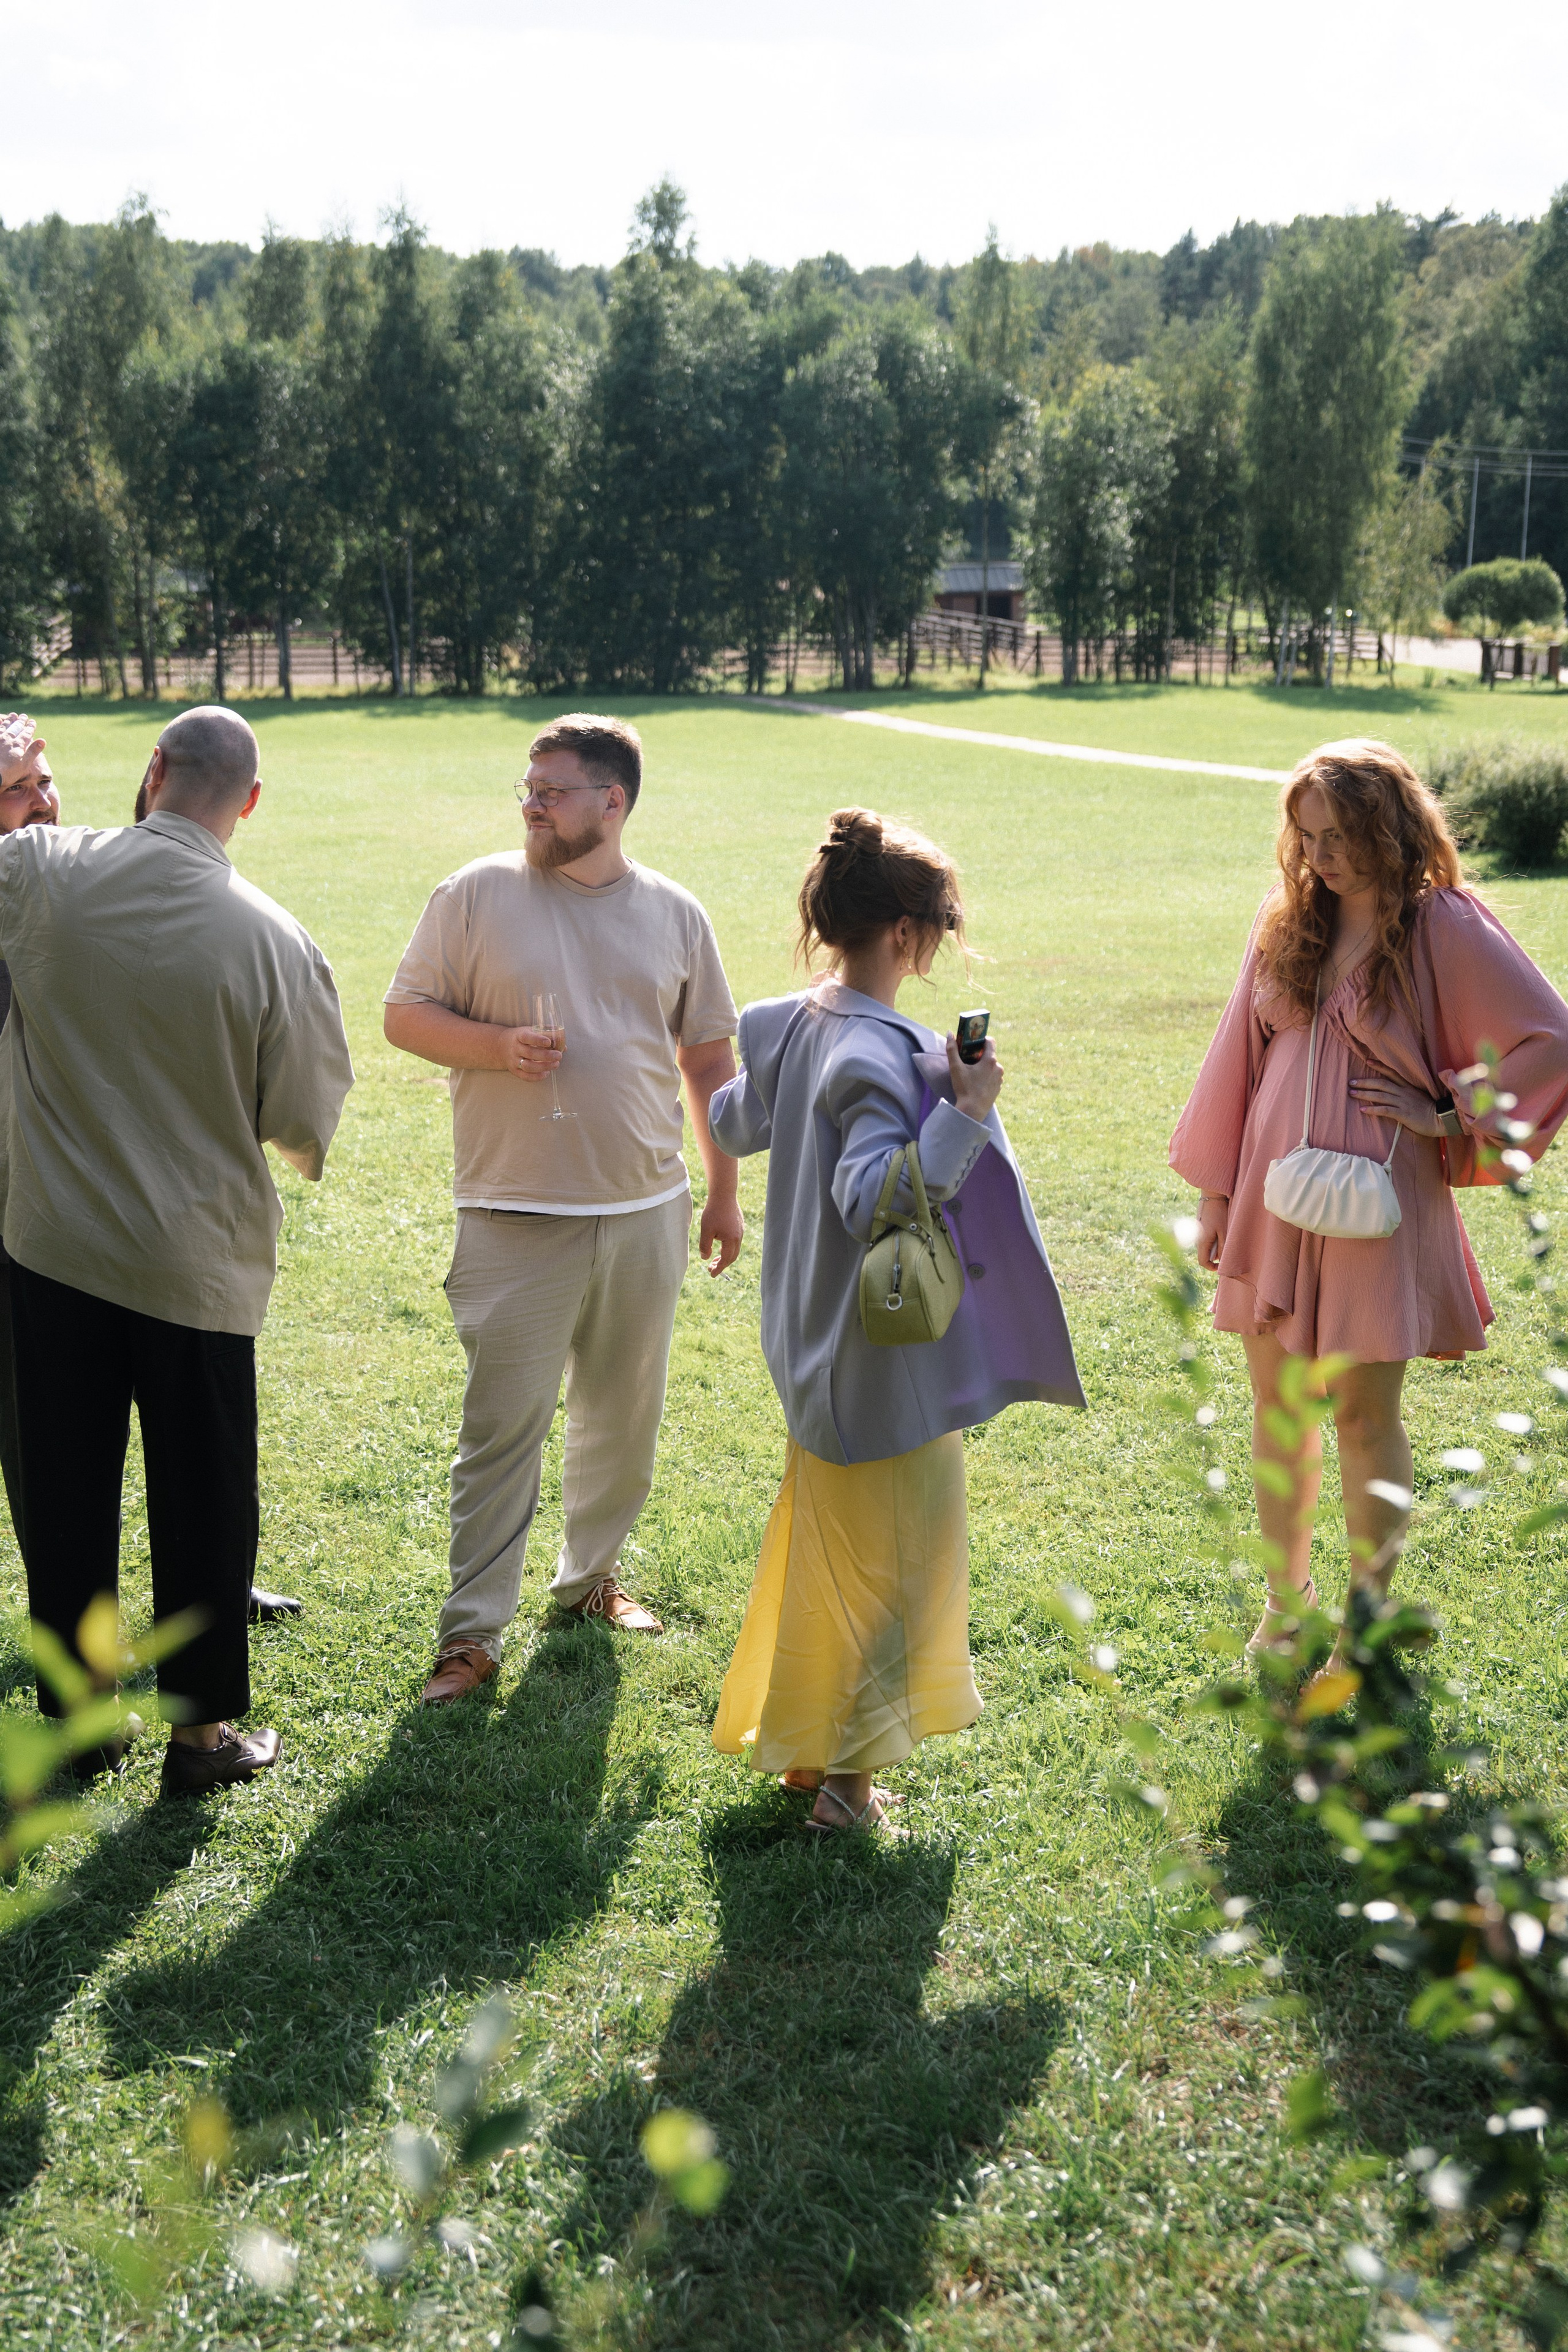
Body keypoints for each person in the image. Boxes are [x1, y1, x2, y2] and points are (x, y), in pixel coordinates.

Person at [707, 807, 1084, 1834]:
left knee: (832, 1551)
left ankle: (811, 1751)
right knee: (893, 1570)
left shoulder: (790, 1023)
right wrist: (964, 1108)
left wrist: (771, 1073)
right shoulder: (880, 1052)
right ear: (908, 933)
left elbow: (733, 1122)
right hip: (875, 1357)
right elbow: (873, 1196)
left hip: (807, 1341)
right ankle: (849, 1789)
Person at [2, 705, 355, 1791]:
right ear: (250, 801)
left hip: (52, 1246)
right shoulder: (278, 941)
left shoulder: (39, 871)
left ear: (152, 769)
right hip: (196, 1264)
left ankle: (81, 1717)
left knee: (63, 1491)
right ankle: (201, 1743)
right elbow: (303, 1126)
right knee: (204, 1495)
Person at [1170, 737, 1568, 1662]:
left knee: (1361, 1417)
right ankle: (1287, 1604)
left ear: (1390, 829)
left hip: (1378, 1204)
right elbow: (1239, 1055)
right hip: (1275, 1192)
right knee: (1280, 1412)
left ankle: (1368, 1615)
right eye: (1309, 837)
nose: (1323, 857)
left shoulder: (1442, 924)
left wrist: (1448, 1113)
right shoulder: (1286, 919)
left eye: (1342, 836)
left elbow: (1549, 1038)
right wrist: (1220, 1194)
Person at [383, 712, 742, 1705]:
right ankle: (471, 1635)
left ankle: (589, 1580)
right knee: (502, 1430)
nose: (532, 806)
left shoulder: (676, 913)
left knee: (623, 1420)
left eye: (552, 791)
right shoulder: (474, 893)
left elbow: (708, 1061)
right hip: (513, 1208)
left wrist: (722, 1191)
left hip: (646, 1206)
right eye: (528, 789)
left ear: (612, 801)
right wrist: (498, 1048)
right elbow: (404, 1015)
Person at [0, 714, 61, 1556]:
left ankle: (210, 1582)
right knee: (30, 1412)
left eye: (45, 781)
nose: (43, 801)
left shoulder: (73, 876)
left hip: (79, 1184)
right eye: (17, 789)